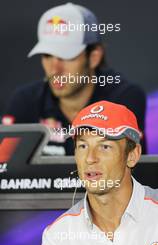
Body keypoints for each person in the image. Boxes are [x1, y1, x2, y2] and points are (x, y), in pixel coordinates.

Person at [1, 3, 147, 154]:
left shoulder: (123, 100)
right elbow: (6, 169)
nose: (54, 70)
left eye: (66, 56)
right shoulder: (25, 101)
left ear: (93, 57)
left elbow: (132, 170)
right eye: (47, 55)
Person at [41, 100, 158, 245]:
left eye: (104, 146)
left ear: (132, 155)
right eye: (82, 146)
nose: (90, 158)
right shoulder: (57, 235)